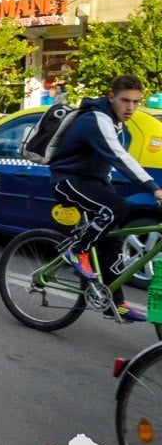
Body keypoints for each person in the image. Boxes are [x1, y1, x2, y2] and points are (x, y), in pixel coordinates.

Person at [50, 74, 162, 322]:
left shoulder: (115, 120)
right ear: (111, 97)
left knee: (111, 244)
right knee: (116, 208)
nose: (131, 107)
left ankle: (117, 305)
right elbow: (119, 157)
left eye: (136, 101)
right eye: (125, 101)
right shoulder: (96, 119)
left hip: (93, 181)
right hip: (69, 180)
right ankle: (76, 250)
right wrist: (154, 188)